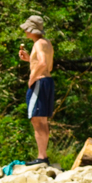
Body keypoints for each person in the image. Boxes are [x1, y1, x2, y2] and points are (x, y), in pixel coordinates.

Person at [18, 15, 55, 165]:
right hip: (48, 81)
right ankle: (43, 156)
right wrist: (29, 59)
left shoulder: (38, 44)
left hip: (39, 83)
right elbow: (48, 66)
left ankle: (41, 157)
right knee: (42, 120)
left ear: (32, 30)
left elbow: (43, 63)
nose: (25, 31)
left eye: (27, 29)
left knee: (36, 120)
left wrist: (32, 77)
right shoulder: (46, 43)